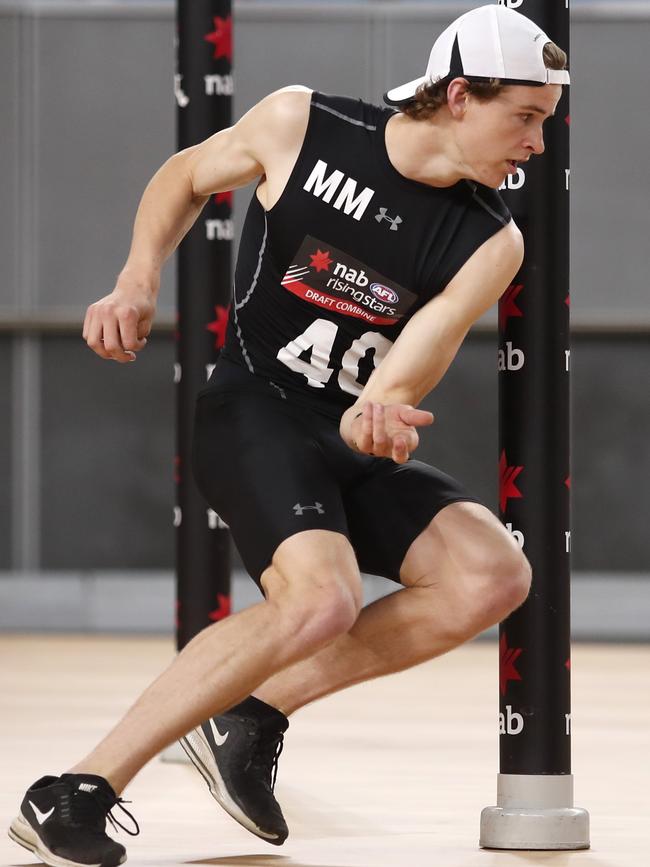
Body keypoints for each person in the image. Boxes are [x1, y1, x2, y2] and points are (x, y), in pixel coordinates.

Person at [9, 5, 569, 866]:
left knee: (492, 575)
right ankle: (76, 790)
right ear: (459, 95)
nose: (536, 144)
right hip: (255, 408)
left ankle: (253, 708)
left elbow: (424, 345)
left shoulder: (491, 235)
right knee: (322, 597)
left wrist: (384, 400)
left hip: (348, 434)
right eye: (525, 117)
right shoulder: (302, 122)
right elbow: (185, 178)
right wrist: (134, 281)